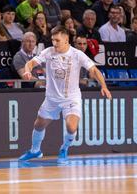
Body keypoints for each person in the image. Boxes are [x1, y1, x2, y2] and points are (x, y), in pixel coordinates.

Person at [18, 26, 112, 164]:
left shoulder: (77, 54)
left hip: (71, 98)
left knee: (71, 126)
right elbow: (30, 63)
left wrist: (104, 86)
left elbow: (95, 70)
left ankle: (64, 148)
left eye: (57, 40)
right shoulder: (48, 52)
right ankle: (35, 150)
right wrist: (27, 71)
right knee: (38, 125)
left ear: (66, 39)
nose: (54, 43)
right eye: (52, 40)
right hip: (51, 99)